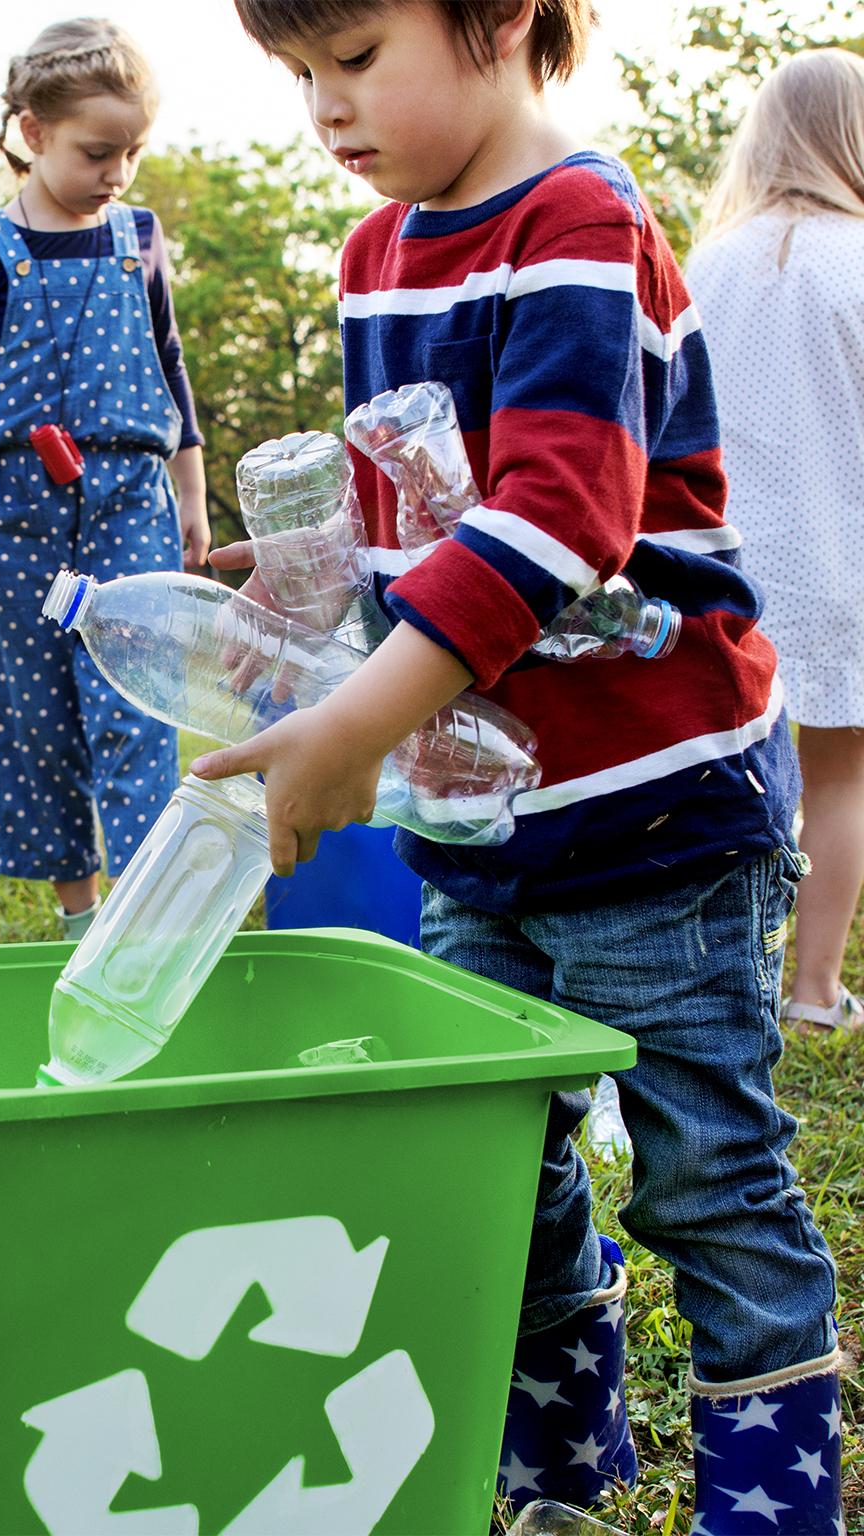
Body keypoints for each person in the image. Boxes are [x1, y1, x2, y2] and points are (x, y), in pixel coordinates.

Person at [214, 3, 840, 1527]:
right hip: (477, 821)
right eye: (298, 74)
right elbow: (433, 535)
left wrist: (355, 723)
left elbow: (559, 525)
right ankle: (558, 1468)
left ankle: (773, 1506)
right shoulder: (377, 257)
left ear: (499, 18)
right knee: (499, 1163)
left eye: (355, 58)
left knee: (703, 1172)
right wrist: (314, 595)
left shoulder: (579, 222)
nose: (323, 108)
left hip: (658, 818)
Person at [0, 17, 212, 941]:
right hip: (18, 518)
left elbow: (172, 368)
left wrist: (192, 500)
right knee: (38, 715)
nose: (116, 172)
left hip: (130, 502)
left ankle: (144, 912)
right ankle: (82, 917)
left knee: (134, 705)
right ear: (33, 135)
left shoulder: (140, 239)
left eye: (132, 152)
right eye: (96, 151)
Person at [688, 48, 864, 1035]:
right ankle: (811, 990)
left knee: (729, 777)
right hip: (840, 558)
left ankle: (729, 984)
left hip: (721, 565)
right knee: (839, 777)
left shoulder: (706, 261)